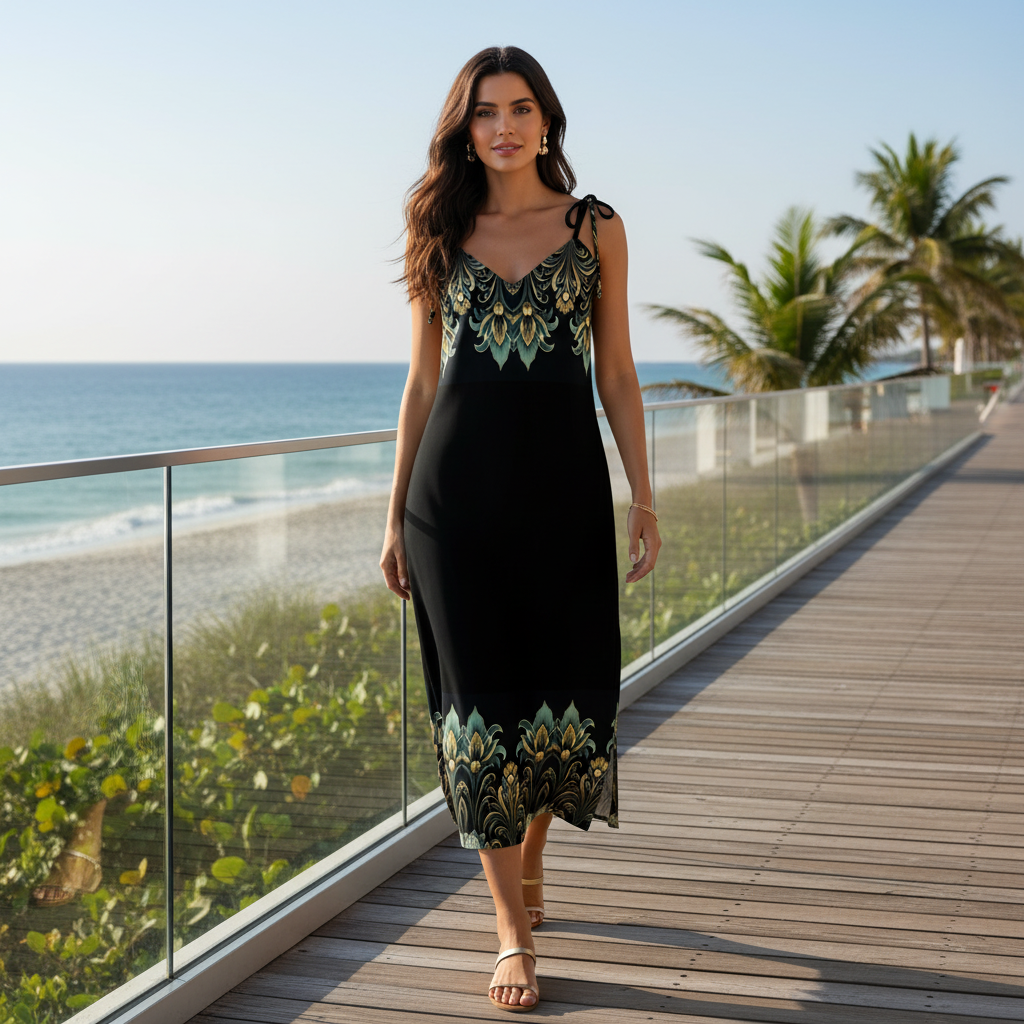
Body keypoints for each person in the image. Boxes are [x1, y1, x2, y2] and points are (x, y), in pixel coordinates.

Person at [380, 45, 659, 1012]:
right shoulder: (440, 226)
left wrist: (644, 495)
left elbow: (616, 373)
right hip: (450, 508)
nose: (504, 127)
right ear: (465, 129)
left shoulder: (596, 229)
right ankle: (509, 931)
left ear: (548, 120)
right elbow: (421, 382)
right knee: (480, 713)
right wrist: (391, 517)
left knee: (562, 702)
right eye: (486, 112)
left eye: (521, 108)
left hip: (565, 499)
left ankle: (528, 861)